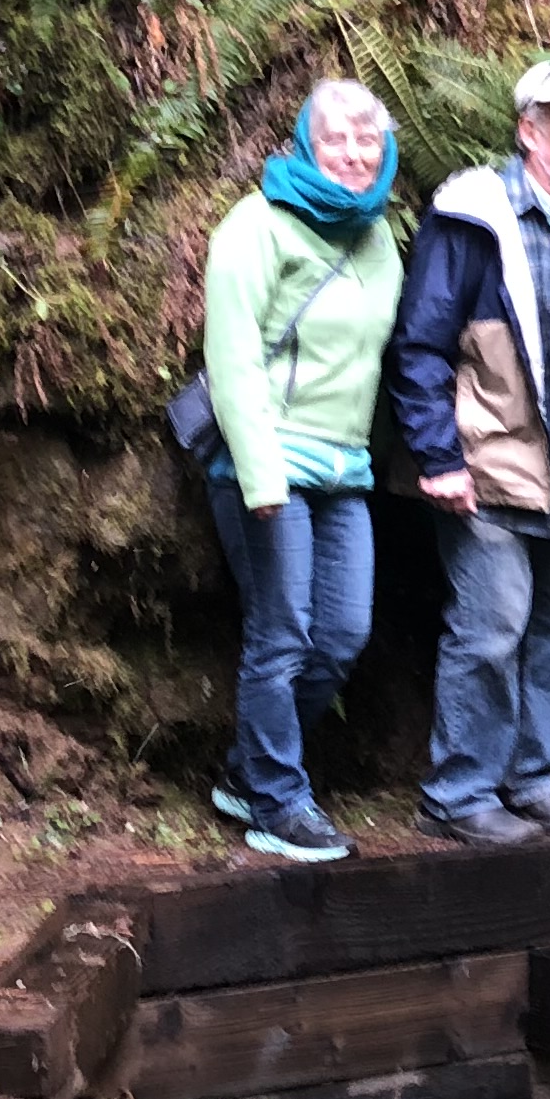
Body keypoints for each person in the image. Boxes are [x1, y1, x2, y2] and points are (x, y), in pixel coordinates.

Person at [388, 56, 550, 849]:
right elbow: (422, 347)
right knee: (490, 631)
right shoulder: (474, 220)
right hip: (486, 466)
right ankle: (460, 795)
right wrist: (438, 456)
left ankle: (531, 782)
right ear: (530, 132)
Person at [200, 77, 406, 864]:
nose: (352, 154)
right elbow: (234, 357)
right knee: (282, 633)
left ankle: (246, 769)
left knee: (343, 634)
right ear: (305, 146)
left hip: (345, 468)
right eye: (334, 140)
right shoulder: (256, 226)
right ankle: (279, 802)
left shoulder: (379, 240)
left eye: (366, 141)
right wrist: (261, 479)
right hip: (269, 460)